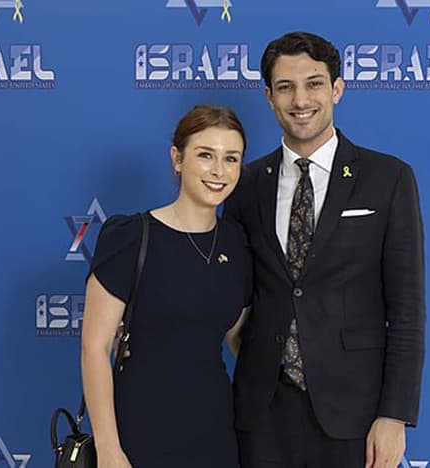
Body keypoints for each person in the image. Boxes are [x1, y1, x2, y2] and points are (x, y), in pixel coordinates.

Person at [223, 32, 426, 468]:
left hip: (355, 415)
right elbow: (233, 294)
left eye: (314, 84)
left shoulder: (388, 179)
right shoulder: (245, 185)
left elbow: (407, 309)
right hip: (261, 414)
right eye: (285, 87)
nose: (300, 100)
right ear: (269, 97)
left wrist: (394, 416)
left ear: (337, 88)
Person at [80, 104, 252, 468]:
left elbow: (239, 337)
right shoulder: (131, 237)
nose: (219, 171)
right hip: (139, 433)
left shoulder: (237, 242)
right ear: (177, 158)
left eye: (231, 158)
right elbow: (95, 348)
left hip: (216, 434)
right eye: (205, 155)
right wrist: (109, 449)